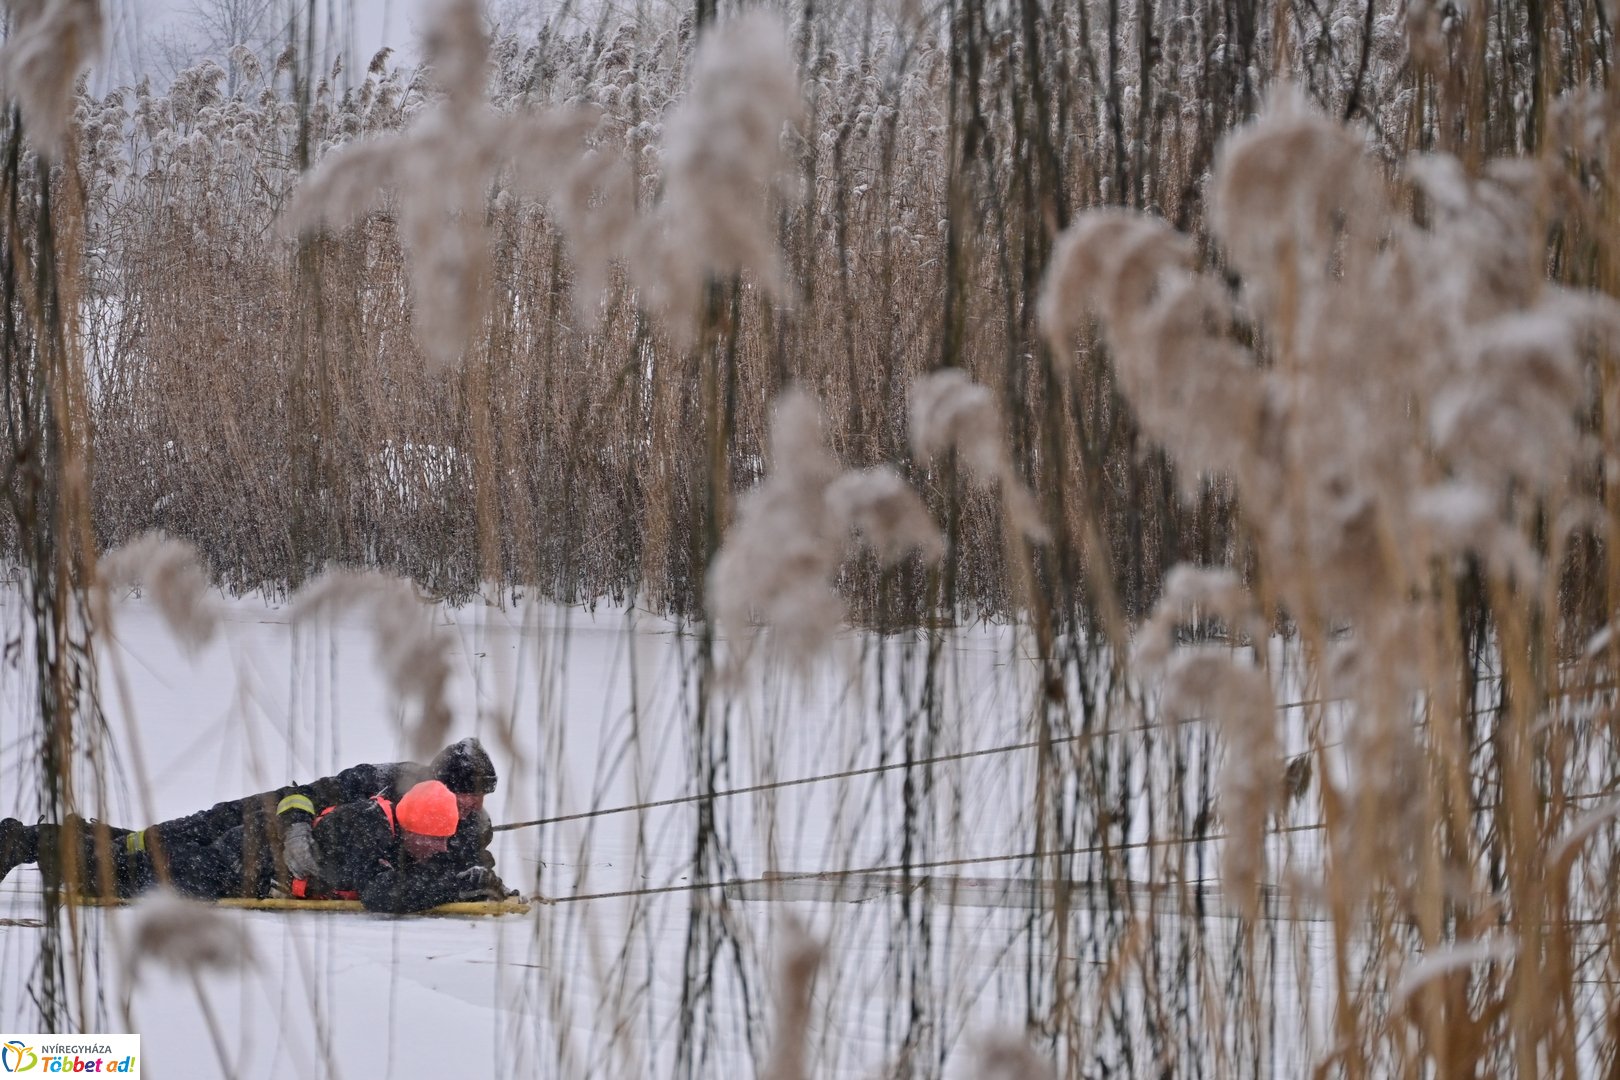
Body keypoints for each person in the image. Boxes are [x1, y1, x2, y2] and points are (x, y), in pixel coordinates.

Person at [0, 738, 513, 905]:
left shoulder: (452, 818)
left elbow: (452, 856)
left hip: (272, 850)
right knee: (154, 843)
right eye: (472, 796)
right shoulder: (390, 783)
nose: (477, 808)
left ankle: (54, 841)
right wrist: (295, 835)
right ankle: (37, 843)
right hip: (268, 819)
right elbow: (302, 796)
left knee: (154, 856)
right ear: (446, 784)